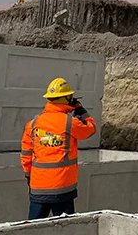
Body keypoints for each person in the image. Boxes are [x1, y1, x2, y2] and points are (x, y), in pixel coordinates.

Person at [20, 77, 97, 220]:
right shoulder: (70, 123)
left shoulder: (33, 123)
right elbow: (91, 128)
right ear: (67, 98)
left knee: (32, 229)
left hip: (38, 188)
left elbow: (26, 155)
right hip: (62, 189)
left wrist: (29, 176)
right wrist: (80, 110)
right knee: (65, 229)